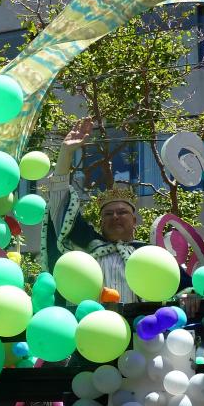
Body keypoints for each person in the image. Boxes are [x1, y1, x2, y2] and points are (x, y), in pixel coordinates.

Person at [43, 117, 147, 303]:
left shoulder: (148, 255)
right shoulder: (86, 245)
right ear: (100, 222)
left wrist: (191, 295)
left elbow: (182, 286)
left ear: (134, 221)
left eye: (122, 212)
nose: (115, 217)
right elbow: (59, 207)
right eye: (108, 214)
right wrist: (66, 153)